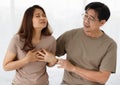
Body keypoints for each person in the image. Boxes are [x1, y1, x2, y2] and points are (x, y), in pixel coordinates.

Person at [37, 2, 117, 85]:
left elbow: (102, 78)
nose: (86, 20)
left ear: (102, 22)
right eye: (86, 16)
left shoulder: (110, 45)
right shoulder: (71, 35)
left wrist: (73, 68)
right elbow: (47, 52)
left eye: (91, 18)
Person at [3, 5, 56, 85]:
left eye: (44, 15)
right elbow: (6, 66)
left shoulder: (51, 40)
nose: (43, 18)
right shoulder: (17, 39)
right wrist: (26, 60)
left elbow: (49, 64)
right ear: (29, 20)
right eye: (38, 16)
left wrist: (53, 60)